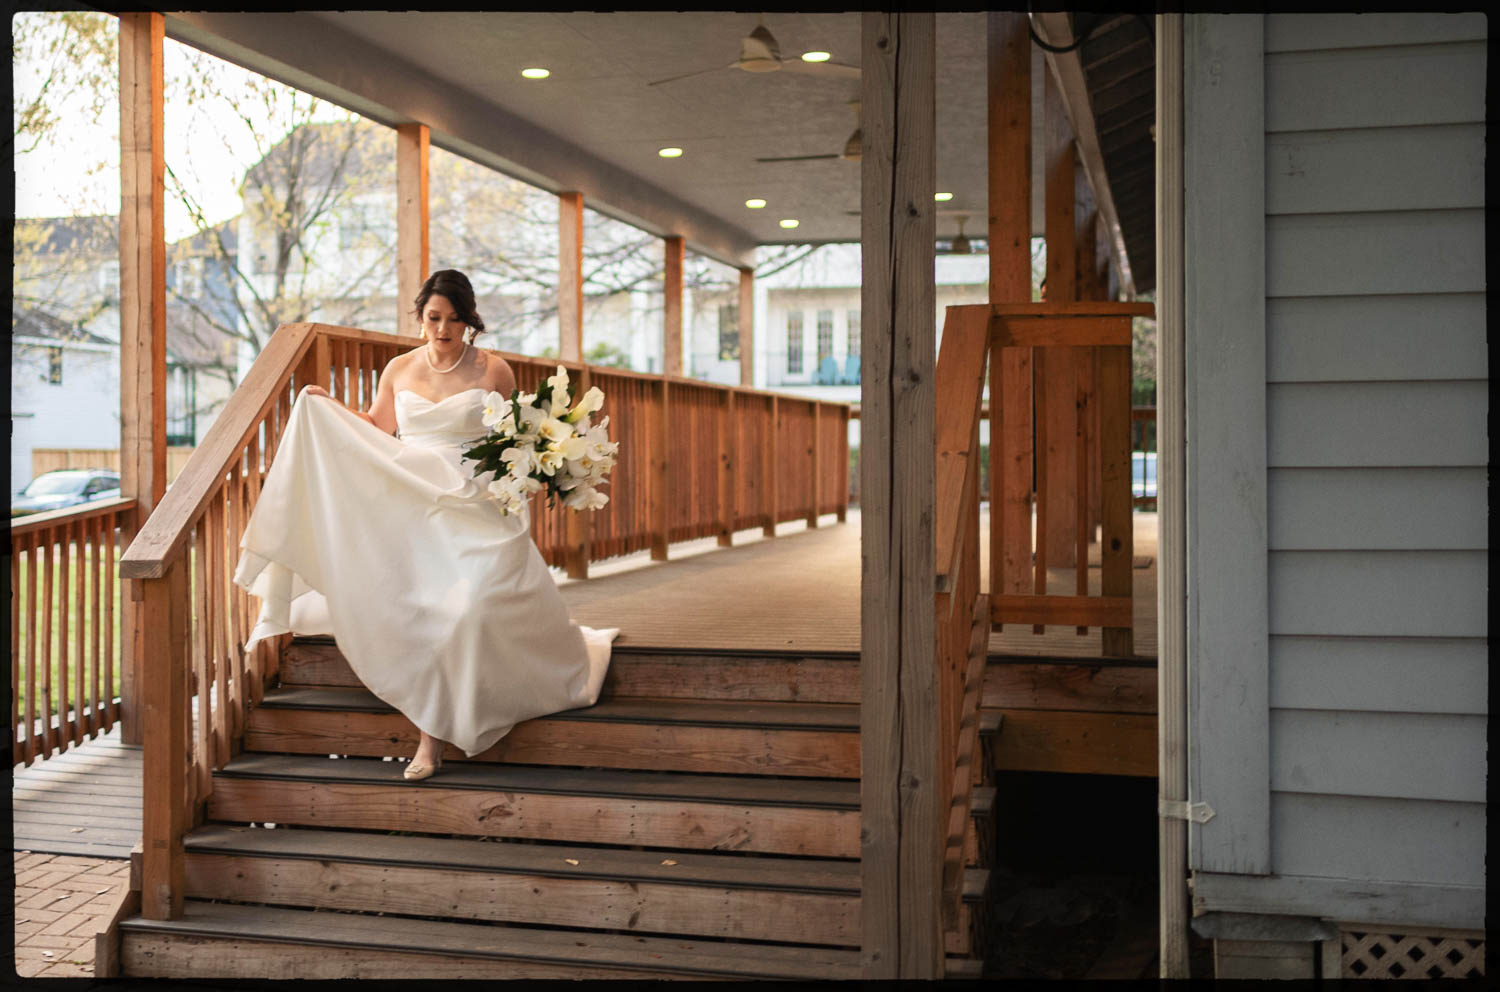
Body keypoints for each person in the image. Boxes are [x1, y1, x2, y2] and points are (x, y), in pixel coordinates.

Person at [234, 269, 618, 781]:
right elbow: (378, 426)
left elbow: (512, 442)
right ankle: (429, 739)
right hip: (413, 502)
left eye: (454, 319)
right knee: (425, 612)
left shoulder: (494, 370)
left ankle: (466, 712)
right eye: (434, 318)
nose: (443, 329)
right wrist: (327, 407)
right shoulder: (398, 368)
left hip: (475, 505)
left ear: (469, 321)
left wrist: (548, 461)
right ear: (420, 319)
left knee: (467, 608)